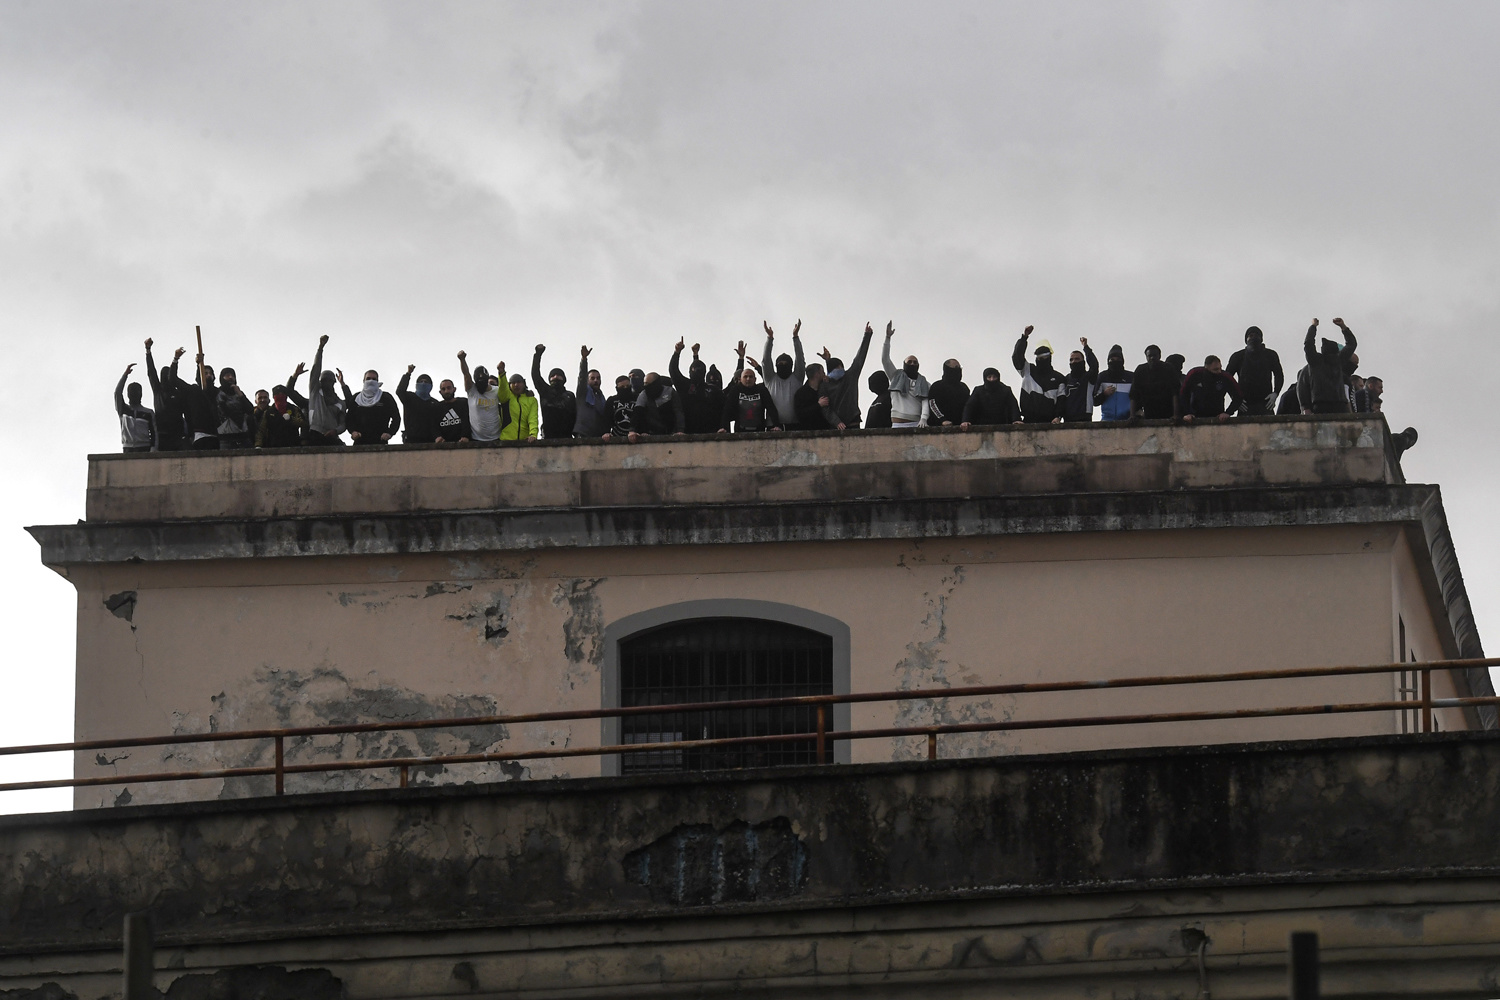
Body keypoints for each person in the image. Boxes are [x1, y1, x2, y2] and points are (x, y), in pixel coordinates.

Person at [287, 335, 351, 445]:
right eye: (323, 380)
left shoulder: (340, 403)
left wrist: (343, 384)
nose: (326, 383)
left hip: (332, 437)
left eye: (329, 380)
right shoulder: (315, 394)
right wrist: (320, 348)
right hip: (314, 435)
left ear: (333, 382)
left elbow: (344, 420)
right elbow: (316, 369)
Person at [816, 322, 874, 431]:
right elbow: (826, 408)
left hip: (853, 421)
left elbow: (860, 358)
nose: (840, 370)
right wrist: (836, 422)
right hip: (836, 426)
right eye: (837, 368)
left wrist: (867, 336)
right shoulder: (825, 385)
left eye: (841, 367)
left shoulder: (850, 377)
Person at [1301, 317, 1357, 414]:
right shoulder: (1339, 360)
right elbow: (1351, 344)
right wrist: (1343, 327)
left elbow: (1308, 343)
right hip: (1339, 403)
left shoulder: (1315, 361)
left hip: (1320, 404)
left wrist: (1313, 326)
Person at [668, 340, 724, 435]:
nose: (697, 371)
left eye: (700, 370)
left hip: (710, 432)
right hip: (687, 431)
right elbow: (674, 371)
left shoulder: (713, 390)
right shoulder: (685, 385)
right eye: (694, 370)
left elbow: (723, 409)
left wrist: (723, 427)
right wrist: (677, 352)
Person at [1225, 326, 1284, 416]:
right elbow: (1227, 378)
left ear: (1261, 339)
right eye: (1250, 336)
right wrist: (1235, 398)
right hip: (1245, 404)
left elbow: (1279, 375)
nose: (1253, 338)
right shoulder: (1238, 356)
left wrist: (1276, 393)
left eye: (1257, 335)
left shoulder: (1270, 355)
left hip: (1266, 402)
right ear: (1246, 339)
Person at [881, 322, 931, 428]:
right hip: (897, 424)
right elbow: (885, 359)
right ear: (904, 364)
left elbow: (925, 401)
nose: (912, 364)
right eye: (909, 362)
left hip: (917, 424)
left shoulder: (924, 383)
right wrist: (887, 338)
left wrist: (923, 418)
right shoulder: (896, 376)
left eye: (915, 362)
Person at [1012, 326, 1065, 423]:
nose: (1041, 360)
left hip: (1051, 423)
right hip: (1029, 420)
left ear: (1049, 357)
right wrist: (1024, 337)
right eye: (1039, 358)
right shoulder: (1028, 370)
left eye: (1044, 357)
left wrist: (1058, 416)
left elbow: (1061, 400)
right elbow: (1017, 356)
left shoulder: (1059, 378)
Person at [143, 339, 187, 450]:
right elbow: (151, 371)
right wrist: (148, 351)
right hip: (162, 432)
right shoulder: (158, 390)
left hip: (177, 433)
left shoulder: (178, 393)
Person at [761, 320, 806, 430]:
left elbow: (800, 359)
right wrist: (769, 338)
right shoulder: (770, 379)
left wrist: (796, 337)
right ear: (776, 365)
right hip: (773, 425)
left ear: (791, 365)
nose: (783, 365)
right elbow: (766, 361)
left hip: (795, 425)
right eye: (780, 364)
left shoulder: (797, 377)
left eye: (786, 364)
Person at [171, 356, 221, 450]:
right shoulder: (193, 390)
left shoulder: (217, 392)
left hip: (217, 434)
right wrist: (176, 359)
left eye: (210, 373)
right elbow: (173, 379)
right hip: (200, 435)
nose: (209, 375)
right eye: (205, 373)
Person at [531, 345, 577, 440]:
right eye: (553, 375)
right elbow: (535, 375)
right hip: (548, 437)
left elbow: (575, 414)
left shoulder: (570, 395)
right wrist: (538, 355)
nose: (556, 377)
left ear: (564, 379)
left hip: (567, 438)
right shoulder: (545, 391)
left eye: (559, 375)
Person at [1179, 356, 1243, 422]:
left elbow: (1238, 396)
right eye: (1215, 369)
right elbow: (1183, 393)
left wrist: (1228, 412)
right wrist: (1187, 413)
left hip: (1217, 415)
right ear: (1206, 367)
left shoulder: (1225, 377)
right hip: (1195, 415)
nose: (1219, 372)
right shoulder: (1195, 374)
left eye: (1220, 368)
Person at [719, 365, 781, 433]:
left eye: (751, 377)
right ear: (741, 379)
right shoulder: (735, 390)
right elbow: (727, 409)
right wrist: (724, 427)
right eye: (745, 377)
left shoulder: (762, 390)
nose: (748, 379)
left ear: (755, 379)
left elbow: (771, 407)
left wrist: (776, 425)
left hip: (759, 430)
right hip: (740, 431)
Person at [346, 369, 401, 445]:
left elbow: (396, 417)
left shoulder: (386, 397)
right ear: (363, 381)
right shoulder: (356, 398)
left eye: (374, 379)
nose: (371, 381)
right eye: (368, 379)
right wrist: (352, 431)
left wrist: (390, 433)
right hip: (359, 442)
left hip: (380, 442)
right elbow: (349, 418)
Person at [458, 352, 501, 443]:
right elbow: (466, 373)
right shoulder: (472, 390)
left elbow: (510, 395)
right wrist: (462, 360)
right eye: (478, 382)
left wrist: (526, 392)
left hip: (496, 437)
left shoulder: (496, 390)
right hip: (476, 438)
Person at [114, 363, 155, 452]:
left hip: (145, 448)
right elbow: (117, 393)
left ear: (141, 394)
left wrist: (153, 449)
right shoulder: (123, 410)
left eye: (136, 392)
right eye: (132, 392)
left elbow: (154, 432)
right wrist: (125, 375)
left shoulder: (148, 413)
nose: (134, 394)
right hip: (128, 448)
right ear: (128, 394)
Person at [1129, 345, 1177, 420]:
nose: (1152, 358)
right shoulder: (1140, 370)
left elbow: (1175, 393)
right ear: (1146, 357)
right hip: (1148, 411)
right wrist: (1132, 416)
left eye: (1154, 355)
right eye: (1149, 356)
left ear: (1159, 356)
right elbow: (1133, 395)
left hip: (1167, 410)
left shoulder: (1168, 369)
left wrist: (1176, 415)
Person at [1058, 338, 1100, 422]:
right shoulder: (1066, 379)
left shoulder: (1089, 377)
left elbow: (1094, 365)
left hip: (1085, 418)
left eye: (1077, 359)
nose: (1074, 362)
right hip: (1067, 419)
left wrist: (1086, 347)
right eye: (1071, 360)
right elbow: (1061, 399)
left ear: (1083, 361)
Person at [395, 367, 440, 444]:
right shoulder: (409, 398)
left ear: (430, 386)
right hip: (411, 439)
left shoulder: (435, 403)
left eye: (426, 382)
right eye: (421, 381)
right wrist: (408, 374)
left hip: (430, 440)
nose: (423, 383)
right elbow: (400, 391)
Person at [633, 372, 685, 436]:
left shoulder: (670, 392)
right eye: (645, 383)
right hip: (650, 432)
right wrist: (633, 430)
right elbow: (638, 412)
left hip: (671, 430)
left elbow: (678, 411)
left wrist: (680, 430)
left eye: (647, 384)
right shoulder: (643, 394)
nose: (645, 386)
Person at [214, 367, 254, 450]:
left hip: (243, 436)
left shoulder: (239, 394)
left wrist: (240, 394)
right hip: (226, 437)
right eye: (227, 375)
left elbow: (250, 409)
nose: (230, 377)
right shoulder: (217, 393)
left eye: (232, 375)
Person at [793, 364, 842, 430]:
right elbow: (800, 414)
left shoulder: (825, 388)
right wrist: (818, 405)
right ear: (817, 374)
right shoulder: (801, 393)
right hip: (808, 431)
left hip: (827, 430)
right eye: (822, 372)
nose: (824, 374)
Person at [1093, 344, 1134, 422]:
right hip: (1107, 420)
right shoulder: (1102, 377)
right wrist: (1104, 394)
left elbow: (1137, 398)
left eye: (1118, 359)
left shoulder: (1130, 377)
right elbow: (1094, 401)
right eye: (1112, 360)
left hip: (1127, 421)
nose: (1115, 362)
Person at [499, 370, 540, 441]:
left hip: (525, 440)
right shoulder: (506, 397)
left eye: (519, 382)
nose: (516, 385)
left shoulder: (531, 400)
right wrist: (501, 373)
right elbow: (502, 388)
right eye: (513, 383)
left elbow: (533, 418)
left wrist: (533, 434)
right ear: (509, 385)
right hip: (505, 440)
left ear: (524, 384)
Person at [927, 359, 970, 427]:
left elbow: (968, 406)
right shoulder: (937, 386)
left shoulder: (963, 388)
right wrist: (942, 420)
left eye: (959, 367)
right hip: (939, 427)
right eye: (956, 367)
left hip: (961, 427)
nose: (958, 370)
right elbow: (933, 405)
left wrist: (966, 420)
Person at [433, 378, 471, 443]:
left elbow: (467, 421)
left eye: (449, 388)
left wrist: (466, 436)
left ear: (454, 389)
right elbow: (434, 425)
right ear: (440, 392)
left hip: (462, 443)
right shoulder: (436, 407)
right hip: (443, 445)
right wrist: (437, 436)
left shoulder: (464, 403)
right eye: (443, 389)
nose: (446, 391)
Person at [605, 374, 639, 441]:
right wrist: (606, 432)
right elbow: (607, 418)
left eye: (627, 386)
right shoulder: (611, 400)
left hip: (635, 436)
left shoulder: (637, 398)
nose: (625, 388)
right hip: (616, 436)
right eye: (622, 386)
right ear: (617, 387)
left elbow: (640, 416)